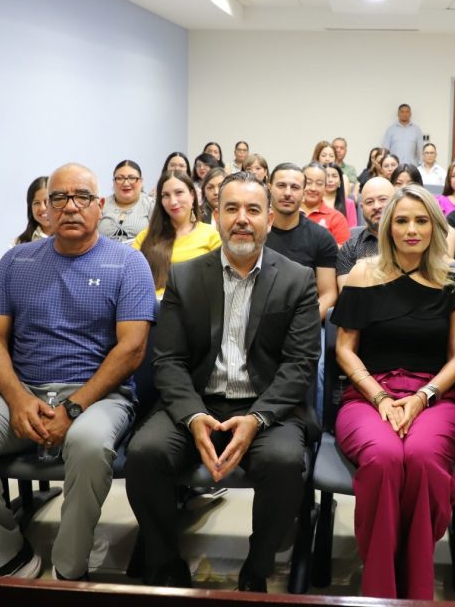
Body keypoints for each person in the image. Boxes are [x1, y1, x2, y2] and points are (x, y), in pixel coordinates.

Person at [0, 163, 155, 581]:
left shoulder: (129, 263)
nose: (70, 207)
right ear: (45, 207)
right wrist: (18, 398)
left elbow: (131, 350)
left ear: (100, 205)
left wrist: (73, 408)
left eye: (82, 197)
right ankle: (6, 555)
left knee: (90, 445)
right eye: (59, 198)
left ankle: (70, 567)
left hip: (97, 396)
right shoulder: (15, 261)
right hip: (20, 392)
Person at [125, 172, 320, 592]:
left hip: (266, 406)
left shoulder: (297, 279)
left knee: (284, 462)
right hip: (197, 401)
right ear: (216, 216)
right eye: (231, 208)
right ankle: (164, 561)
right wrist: (193, 415)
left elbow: (300, 364)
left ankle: (257, 568)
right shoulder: (185, 276)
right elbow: (169, 360)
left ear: (269, 218)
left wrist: (257, 419)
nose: (242, 219)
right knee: (144, 453)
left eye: (253, 209)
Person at [331, 185, 455, 598]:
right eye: (402, 220)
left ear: (435, 226)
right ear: (387, 227)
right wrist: (380, 398)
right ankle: (381, 585)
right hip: (368, 394)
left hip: (435, 396)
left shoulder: (453, 279)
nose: (412, 229)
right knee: (385, 457)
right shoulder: (362, 273)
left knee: (424, 458)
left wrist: (422, 397)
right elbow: (344, 349)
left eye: (421, 221)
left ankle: (414, 581)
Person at [266, 163, 338, 321]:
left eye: (295, 187)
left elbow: (328, 294)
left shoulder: (322, 238)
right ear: (269, 188)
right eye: (281, 185)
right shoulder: (255, 233)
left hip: (304, 322)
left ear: (303, 192)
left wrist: (304, 325)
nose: (287, 193)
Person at [133, 171, 222, 298]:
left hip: (194, 304)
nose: (173, 201)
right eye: (166, 195)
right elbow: (131, 276)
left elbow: (217, 282)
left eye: (179, 192)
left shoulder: (211, 235)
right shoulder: (146, 236)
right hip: (151, 304)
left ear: (192, 195)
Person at [337, 177, 394, 289]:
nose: (376, 206)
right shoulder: (350, 248)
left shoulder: (408, 240)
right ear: (362, 207)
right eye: (369, 202)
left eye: (383, 199)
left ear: (396, 202)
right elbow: (347, 293)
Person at [98, 160, 155, 244]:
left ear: (141, 181)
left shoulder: (151, 205)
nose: (126, 183)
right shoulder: (102, 204)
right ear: (113, 182)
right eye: (120, 178)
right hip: (105, 251)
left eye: (132, 178)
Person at [301, 163, 350, 245]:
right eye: (308, 183)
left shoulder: (337, 218)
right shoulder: (289, 212)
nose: (313, 188)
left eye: (319, 184)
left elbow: (344, 251)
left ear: (325, 189)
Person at [15, 175, 52, 245]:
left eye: (47, 202)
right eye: (36, 203)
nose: (42, 208)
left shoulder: (71, 238)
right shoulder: (18, 243)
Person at [324, 161, 358, 227]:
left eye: (334, 176)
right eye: (326, 176)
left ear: (340, 181)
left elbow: (353, 229)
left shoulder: (349, 204)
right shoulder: (315, 202)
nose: (330, 180)